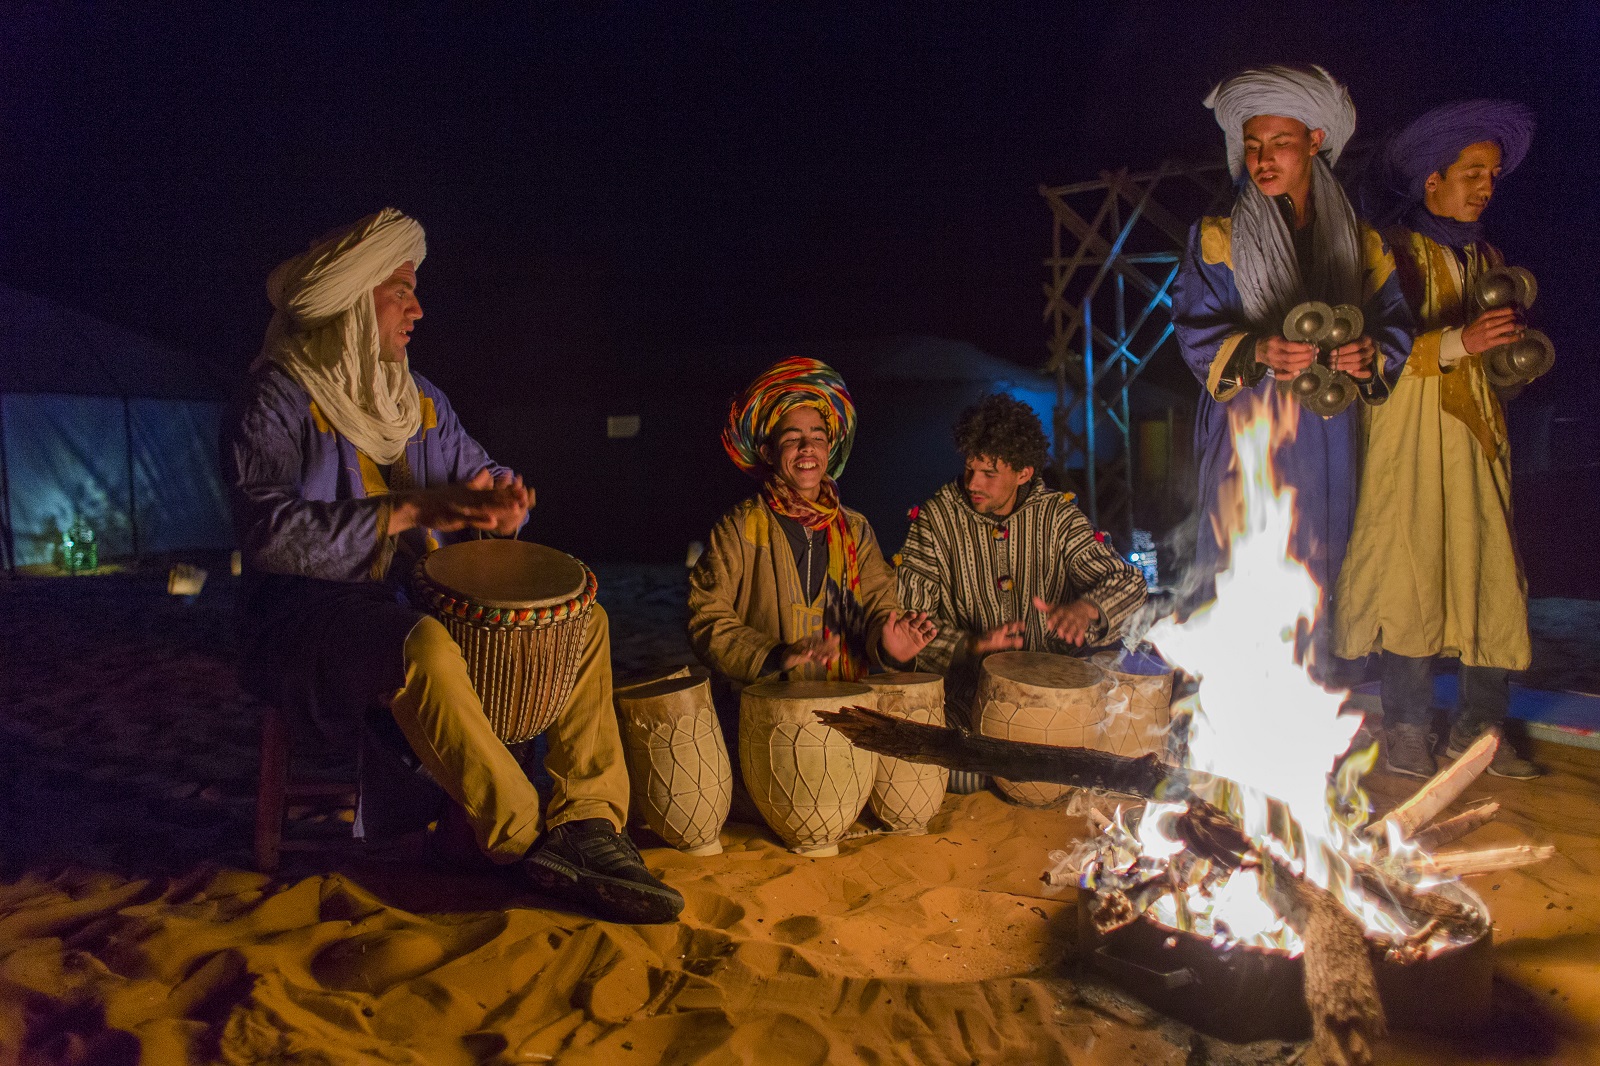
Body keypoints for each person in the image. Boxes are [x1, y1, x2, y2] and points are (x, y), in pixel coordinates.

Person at [224, 208, 683, 923]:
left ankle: (589, 821)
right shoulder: (275, 398)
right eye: (401, 288)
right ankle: (526, 838)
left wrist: (502, 502)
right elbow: (268, 534)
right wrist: (413, 512)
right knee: (426, 649)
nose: (419, 307)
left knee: (582, 620)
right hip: (310, 621)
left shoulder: (418, 401)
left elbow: (480, 476)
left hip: (411, 605)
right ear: (350, 300)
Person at [1170, 65, 1414, 662]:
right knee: (1238, 555)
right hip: (1248, 424)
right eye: (1252, 146)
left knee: (1317, 555)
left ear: (1316, 141)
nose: (1262, 159)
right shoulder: (1219, 236)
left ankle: (1305, 706)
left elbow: (1393, 323)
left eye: (1280, 142)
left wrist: (1368, 353)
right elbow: (1193, 327)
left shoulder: (1360, 241)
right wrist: (1257, 348)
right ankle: (1227, 706)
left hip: (1327, 433)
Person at [1335, 101, 1542, 779]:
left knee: (1488, 573)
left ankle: (1481, 733)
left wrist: (1510, 358)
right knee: (1410, 573)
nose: (1486, 184)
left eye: (1493, 173)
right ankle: (1406, 731)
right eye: (1472, 171)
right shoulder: (1384, 249)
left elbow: (1493, 351)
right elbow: (1374, 348)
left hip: (1477, 432)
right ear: (1432, 180)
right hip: (1409, 430)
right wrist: (1462, 339)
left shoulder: (1487, 256)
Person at [895, 395, 1148, 789]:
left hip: (1059, 703)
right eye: (969, 468)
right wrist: (971, 645)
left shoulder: (1057, 517)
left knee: (1117, 751)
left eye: (989, 473)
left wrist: (1086, 610)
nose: (973, 483)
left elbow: (1129, 581)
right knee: (960, 776)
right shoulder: (936, 520)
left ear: (1024, 472)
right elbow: (910, 619)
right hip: (970, 696)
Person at [687, 358, 935, 694]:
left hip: (845, 708)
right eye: (792, 438)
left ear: (829, 449)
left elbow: (881, 607)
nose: (807, 447)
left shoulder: (855, 529)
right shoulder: (740, 527)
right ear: (768, 453)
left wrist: (892, 647)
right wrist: (776, 655)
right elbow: (707, 618)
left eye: (817, 437)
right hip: (764, 713)